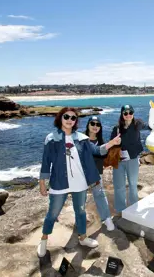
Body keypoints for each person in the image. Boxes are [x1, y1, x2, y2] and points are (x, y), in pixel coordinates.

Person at [37, 107, 121, 258]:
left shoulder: (82, 138)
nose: (69, 120)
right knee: (52, 213)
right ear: (60, 118)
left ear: (76, 121)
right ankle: (43, 240)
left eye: (73, 118)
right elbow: (45, 162)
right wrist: (42, 182)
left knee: (80, 212)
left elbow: (97, 151)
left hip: (80, 183)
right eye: (66, 117)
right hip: (58, 183)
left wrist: (111, 143)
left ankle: (82, 238)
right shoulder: (51, 138)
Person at [110, 104, 144, 213]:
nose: (128, 115)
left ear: (133, 113)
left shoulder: (137, 125)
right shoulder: (116, 128)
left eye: (130, 113)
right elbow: (111, 143)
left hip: (133, 159)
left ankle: (134, 208)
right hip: (119, 160)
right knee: (119, 186)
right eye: (125, 113)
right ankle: (120, 210)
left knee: (133, 184)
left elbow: (152, 126)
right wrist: (116, 150)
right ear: (122, 115)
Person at [85, 115, 115, 231]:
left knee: (100, 196)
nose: (95, 126)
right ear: (88, 125)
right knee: (80, 199)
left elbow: (104, 156)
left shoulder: (101, 141)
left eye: (98, 124)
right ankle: (80, 220)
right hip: (82, 174)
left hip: (97, 174)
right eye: (92, 123)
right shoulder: (82, 139)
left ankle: (107, 219)